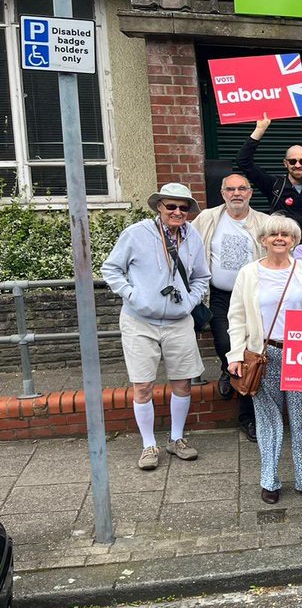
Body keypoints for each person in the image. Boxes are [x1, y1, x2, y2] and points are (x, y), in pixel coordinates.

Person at [101, 183, 211, 470]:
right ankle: (148, 444)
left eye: (183, 207)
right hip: (140, 321)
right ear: (159, 207)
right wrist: (133, 295)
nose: (177, 212)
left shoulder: (193, 237)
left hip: (178, 321)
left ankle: (176, 439)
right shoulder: (137, 234)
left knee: (183, 383)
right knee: (142, 386)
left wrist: (189, 302)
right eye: (171, 206)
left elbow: (202, 276)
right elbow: (111, 269)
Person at [225, 215, 302, 503]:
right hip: (264, 355)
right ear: (263, 240)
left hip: (301, 352)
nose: (280, 238)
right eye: (273, 234)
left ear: (294, 240)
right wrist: (235, 355)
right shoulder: (248, 273)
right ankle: (270, 480)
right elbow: (237, 317)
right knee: (268, 421)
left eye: (286, 235)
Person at [193, 173, 267, 441]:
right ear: (223, 193)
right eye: (231, 189)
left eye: (242, 189)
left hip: (254, 297)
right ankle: (227, 367)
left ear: (250, 193)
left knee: (251, 355)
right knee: (226, 343)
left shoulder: (264, 222)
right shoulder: (207, 218)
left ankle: (248, 417)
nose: (237, 193)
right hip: (220, 295)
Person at [237, 115, 302, 226]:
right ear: (285, 163)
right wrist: (260, 129)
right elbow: (243, 161)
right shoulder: (275, 186)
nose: (298, 165)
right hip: (282, 240)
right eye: (292, 161)